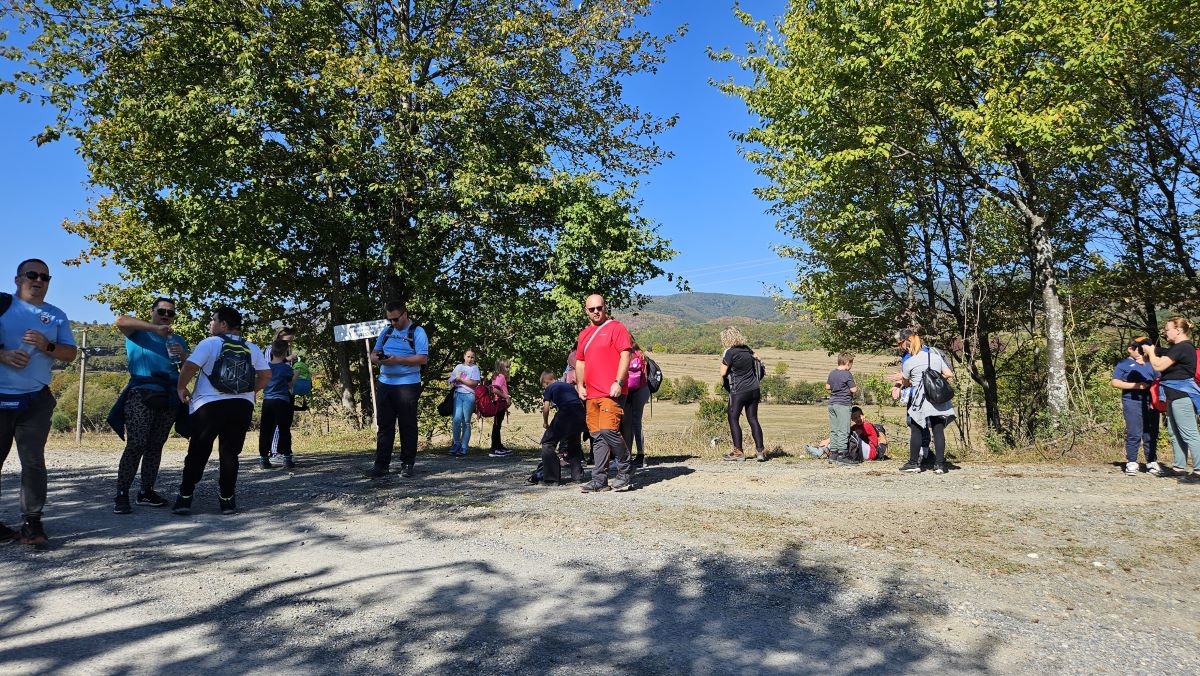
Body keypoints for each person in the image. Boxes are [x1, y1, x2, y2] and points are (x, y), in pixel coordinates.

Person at [0, 258, 77, 547]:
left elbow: (71, 354)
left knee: (33, 462)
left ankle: (32, 522)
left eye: (45, 277)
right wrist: (3, 354)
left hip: (35, 400)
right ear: (18, 278)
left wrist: (48, 346)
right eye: (32, 274)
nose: (39, 280)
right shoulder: (3, 306)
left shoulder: (56, 315)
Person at [172, 306, 270, 515]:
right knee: (230, 453)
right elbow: (266, 375)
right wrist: (252, 391)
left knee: (198, 451)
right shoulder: (251, 347)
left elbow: (190, 366)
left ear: (223, 324)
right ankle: (227, 500)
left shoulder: (209, 343)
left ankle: (185, 497)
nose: (210, 323)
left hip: (209, 406)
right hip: (241, 406)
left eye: (213, 320)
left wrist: (181, 387)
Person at [111, 297, 190, 514]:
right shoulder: (138, 333)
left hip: (169, 396)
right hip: (141, 393)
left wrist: (182, 355)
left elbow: (187, 368)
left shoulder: (178, 339)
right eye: (162, 311)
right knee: (136, 443)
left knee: (156, 446)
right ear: (152, 311)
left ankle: (146, 491)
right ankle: (121, 494)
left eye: (170, 313)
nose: (166, 315)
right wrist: (156, 329)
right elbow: (120, 320)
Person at [575, 293, 634, 492]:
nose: (596, 312)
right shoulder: (584, 334)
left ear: (605, 307)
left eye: (599, 307)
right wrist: (580, 385)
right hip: (591, 393)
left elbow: (625, 354)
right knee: (597, 436)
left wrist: (618, 381)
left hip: (612, 391)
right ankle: (599, 480)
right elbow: (580, 361)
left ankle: (625, 467)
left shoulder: (616, 328)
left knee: (609, 431)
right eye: (591, 309)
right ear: (586, 311)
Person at [369, 301, 429, 477]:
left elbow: (423, 359)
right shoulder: (386, 331)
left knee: (407, 424)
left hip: (407, 384)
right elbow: (373, 353)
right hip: (385, 383)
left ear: (405, 314)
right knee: (384, 425)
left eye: (395, 319)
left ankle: (407, 464)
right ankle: (381, 465)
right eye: (390, 320)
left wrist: (397, 360)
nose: (393, 323)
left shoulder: (417, 332)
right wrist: (379, 359)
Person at [1141, 317, 1200, 483]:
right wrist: (1152, 351)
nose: (1164, 332)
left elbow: (1158, 366)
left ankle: (1198, 470)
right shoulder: (1178, 348)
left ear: (1178, 330)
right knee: (1175, 433)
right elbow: (1164, 356)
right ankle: (1178, 468)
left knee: (1190, 434)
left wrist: (1151, 352)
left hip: (1182, 396)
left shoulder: (1183, 347)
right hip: (1173, 395)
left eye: (1167, 329)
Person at [899, 332, 955, 474]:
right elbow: (949, 373)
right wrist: (934, 378)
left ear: (909, 345)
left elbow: (905, 381)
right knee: (938, 429)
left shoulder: (909, 362)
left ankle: (913, 463)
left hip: (920, 400)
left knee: (916, 429)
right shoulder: (935, 357)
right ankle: (940, 465)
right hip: (937, 398)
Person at [1111, 337, 1160, 476]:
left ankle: (1151, 461)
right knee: (1134, 431)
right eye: (1137, 348)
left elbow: (1159, 379)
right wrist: (1136, 386)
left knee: (1151, 432)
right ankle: (1132, 461)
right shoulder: (1124, 364)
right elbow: (1115, 382)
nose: (1140, 351)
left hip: (1151, 401)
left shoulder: (1151, 363)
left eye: (1142, 348)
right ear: (1130, 349)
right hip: (1132, 401)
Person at [719, 327, 765, 462]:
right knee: (753, 419)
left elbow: (722, 372)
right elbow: (758, 358)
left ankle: (738, 451)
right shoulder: (747, 349)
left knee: (733, 419)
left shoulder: (730, 352)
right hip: (754, 390)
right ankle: (760, 452)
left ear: (726, 338)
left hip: (738, 391)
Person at [891, 329, 931, 466]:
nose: (898, 346)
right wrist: (897, 385)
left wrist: (901, 378)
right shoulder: (906, 355)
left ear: (907, 340)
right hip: (912, 394)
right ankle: (921, 453)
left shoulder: (925, 352)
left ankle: (923, 454)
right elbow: (905, 374)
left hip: (923, 394)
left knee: (920, 423)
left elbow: (923, 375)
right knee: (911, 422)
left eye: (899, 343)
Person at [539, 370, 585, 484]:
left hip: (566, 413)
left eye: (543, 385)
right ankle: (577, 477)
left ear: (546, 382)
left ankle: (551, 478)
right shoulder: (568, 386)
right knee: (574, 443)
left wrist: (545, 422)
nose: (544, 388)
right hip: (580, 413)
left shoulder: (550, 388)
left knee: (547, 443)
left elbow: (546, 407)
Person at [258, 338, 297, 470]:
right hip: (282, 401)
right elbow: (290, 385)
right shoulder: (286, 368)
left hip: (267, 401)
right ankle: (287, 459)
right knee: (284, 429)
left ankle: (264, 459)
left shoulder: (265, 368)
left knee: (265, 430)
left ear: (272, 351)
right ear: (286, 352)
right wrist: (296, 374)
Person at [622, 341, 651, 468]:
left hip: (632, 390)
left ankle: (633, 456)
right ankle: (639, 455)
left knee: (630, 423)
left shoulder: (627, 355)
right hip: (642, 389)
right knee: (636, 423)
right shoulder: (641, 354)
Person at [447, 349, 481, 457]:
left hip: (469, 396)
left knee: (466, 421)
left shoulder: (474, 368)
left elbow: (475, 383)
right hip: (458, 394)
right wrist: (454, 380)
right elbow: (451, 379)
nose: (470, 359)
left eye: (472, 357)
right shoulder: (459, 367)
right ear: (464, 356)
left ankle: (464, 446)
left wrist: (461, 380)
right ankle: (456, 443)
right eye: (468, 356)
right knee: (456, 419)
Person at [826, 352, 858, 462]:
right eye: (851, 364)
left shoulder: (832, 373)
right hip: (843, 404)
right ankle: (843, 454)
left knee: (835, 429)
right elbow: (853, 389)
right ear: (848, 363)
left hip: (832, 404)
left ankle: (833, 454)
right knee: (844, 430)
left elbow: (827, 386)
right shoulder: (847, 374)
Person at [487, 359, 514, 457]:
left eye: (508, 367)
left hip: (500, 403)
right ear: (501, 367)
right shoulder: (501, 376)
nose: (508, 369)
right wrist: (506, 396)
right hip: (499, 403)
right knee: (497, 425)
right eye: (506, 367)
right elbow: (495, 389)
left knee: (498, 425)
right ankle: (495, 448)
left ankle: (499, 446)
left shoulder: (498, 376)